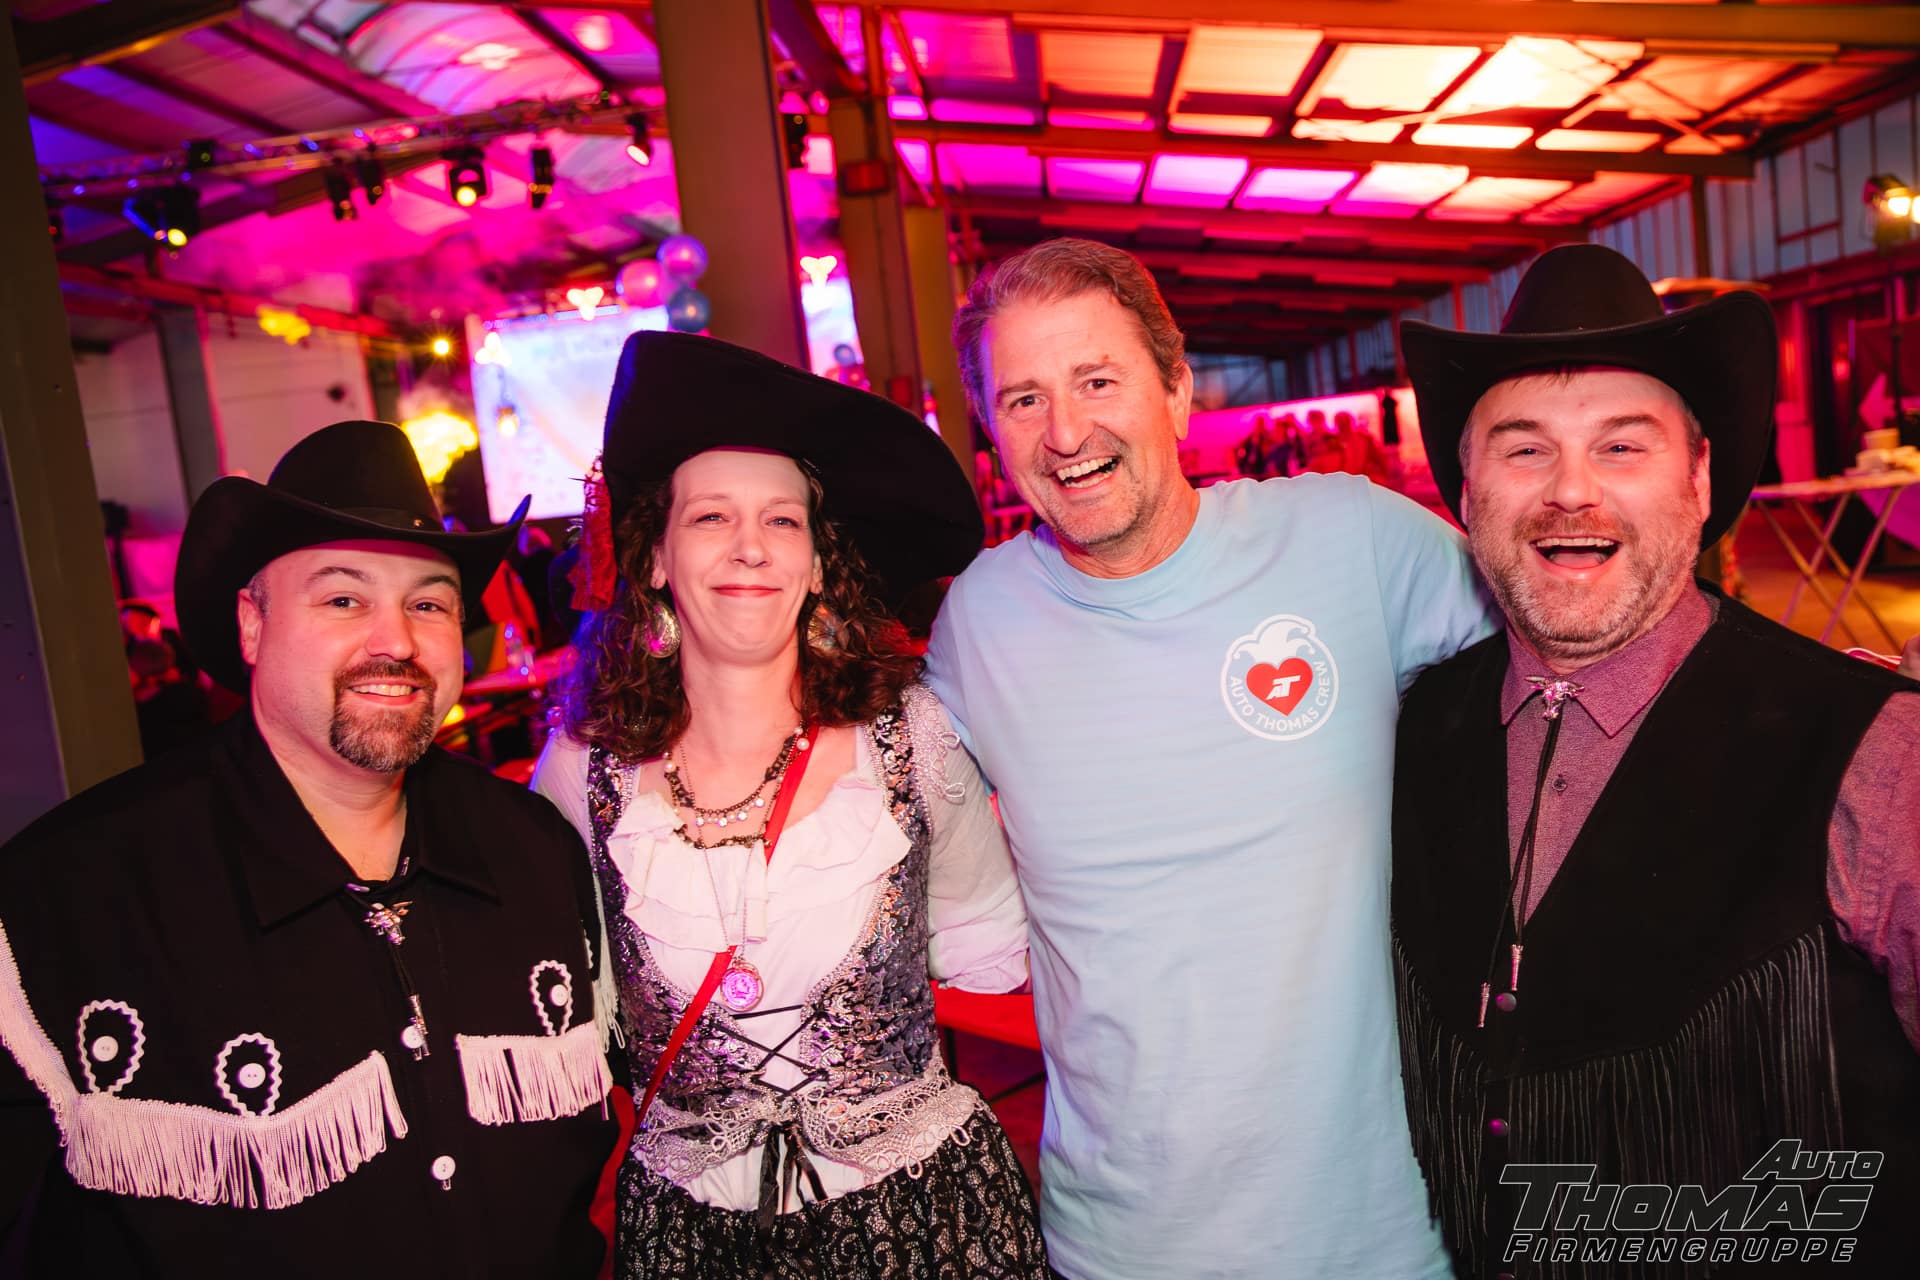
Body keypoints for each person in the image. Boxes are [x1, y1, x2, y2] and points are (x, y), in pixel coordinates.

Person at [931, 236, 1496, 1279]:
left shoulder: (1351, 540)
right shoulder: (980, 619)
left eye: (1098, 380)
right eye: (1023, 399)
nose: (1066, 433)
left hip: (1379, 1233)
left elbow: (1570, 654)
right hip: (1119, 1243)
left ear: (1178, 392)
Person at [1392, 243, 1920, 1275]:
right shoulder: (1413, 727)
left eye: (1622, 446)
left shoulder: (1872, 748)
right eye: (1525, 448)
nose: (1571, 492)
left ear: (1699, 476)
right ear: (1466, 488)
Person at [0, 421, 617, 1277]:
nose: (396, 641)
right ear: (251, 624)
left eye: (429, 604)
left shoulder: (536, 850)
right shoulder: (70, 896)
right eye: (343, 600)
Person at [531, 331, 1048, 1280]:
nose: (750, 547)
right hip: (690, 1243)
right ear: (655, 558)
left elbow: (989, 944)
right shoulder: (581, 771)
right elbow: (560, 1009)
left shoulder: (912, 738)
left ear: (816, 565)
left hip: (923, 1229)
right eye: (710, 518)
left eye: (782, 520)